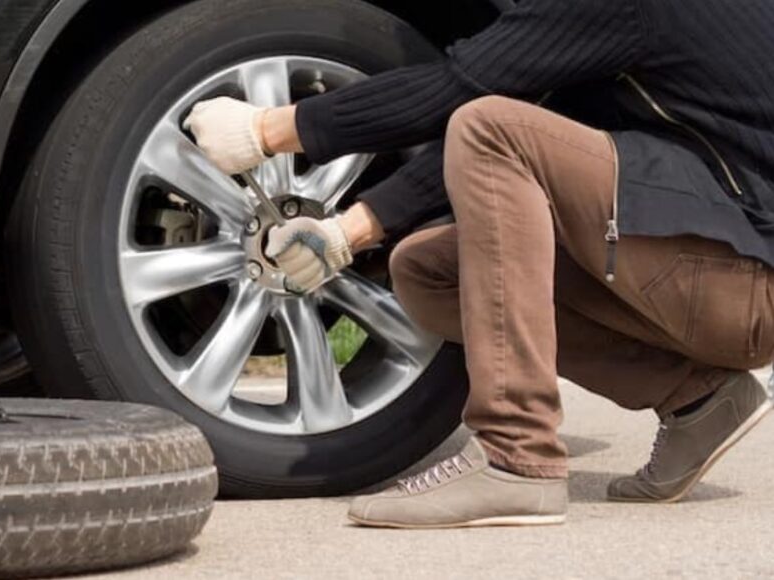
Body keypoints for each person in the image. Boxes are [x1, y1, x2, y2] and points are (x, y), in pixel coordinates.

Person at [183, 0, 774, 529]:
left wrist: (269, 130)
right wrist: (347, 232)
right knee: (429, 270)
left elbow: (457, 93)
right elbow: (535, 101)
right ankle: (697, 398)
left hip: (746, 281)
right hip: (719, 259)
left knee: (490, 127)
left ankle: (516, 456)